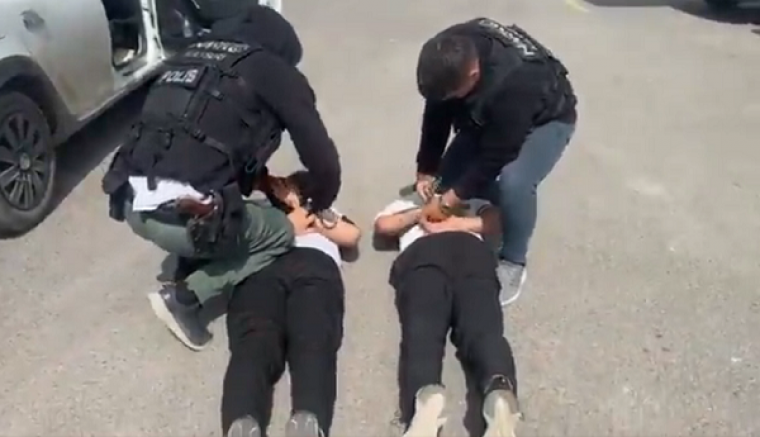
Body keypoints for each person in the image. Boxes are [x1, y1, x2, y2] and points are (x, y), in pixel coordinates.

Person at [101, 5, 341, 351]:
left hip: (129, 203)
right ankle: (185, 299)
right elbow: (324, 164)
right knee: (279, 232)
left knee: (224, 200)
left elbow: (201, 138)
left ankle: (194, 250)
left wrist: (263, 182)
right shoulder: (274, 70)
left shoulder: (188, 57)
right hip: (181, 221)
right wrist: (315, 206)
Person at [412, 17, 577, 305]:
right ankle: (495, 213)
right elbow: (437, 113)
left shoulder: (519, 80)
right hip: (491, 113)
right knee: (447, 180)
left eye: (453, 93)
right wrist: (426, 166)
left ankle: (513, 260)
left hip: (545, 120)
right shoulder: (447, 51)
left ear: (473, 74)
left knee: (514, 183)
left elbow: (499, 153)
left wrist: (450, 200)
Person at [222, 171, 360, 437]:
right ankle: (242, 422)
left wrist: (306, 212)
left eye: (290, 186)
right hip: (262, 266)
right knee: (254, 340)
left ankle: (308, 420)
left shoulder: (324, 212)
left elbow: (351, 235)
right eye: (281, 185)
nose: (284, 189)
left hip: (314, 265)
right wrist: (282, 219)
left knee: (314, 336)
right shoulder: (259, 209)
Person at [374, 195, 521, 437]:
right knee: (475, 331)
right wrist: (422, 212)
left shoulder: (469, 199)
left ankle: (427, 399)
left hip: (444, 255)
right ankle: (496, 392)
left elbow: (495, 220)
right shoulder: (409, 204)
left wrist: (451, 220)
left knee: (426, 333)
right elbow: (383, 225)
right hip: (450, 255)